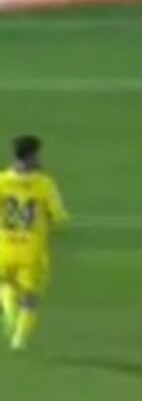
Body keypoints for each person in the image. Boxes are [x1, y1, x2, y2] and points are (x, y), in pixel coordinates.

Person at [0, 135, 68, 351]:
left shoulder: (2, 181)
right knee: (30, 298)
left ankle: (10, 318)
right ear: (31, 156)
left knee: (5, 283)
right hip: (32, 251)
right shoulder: (43, 184)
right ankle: (19, 339)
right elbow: (59, 219)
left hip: (4, 247)